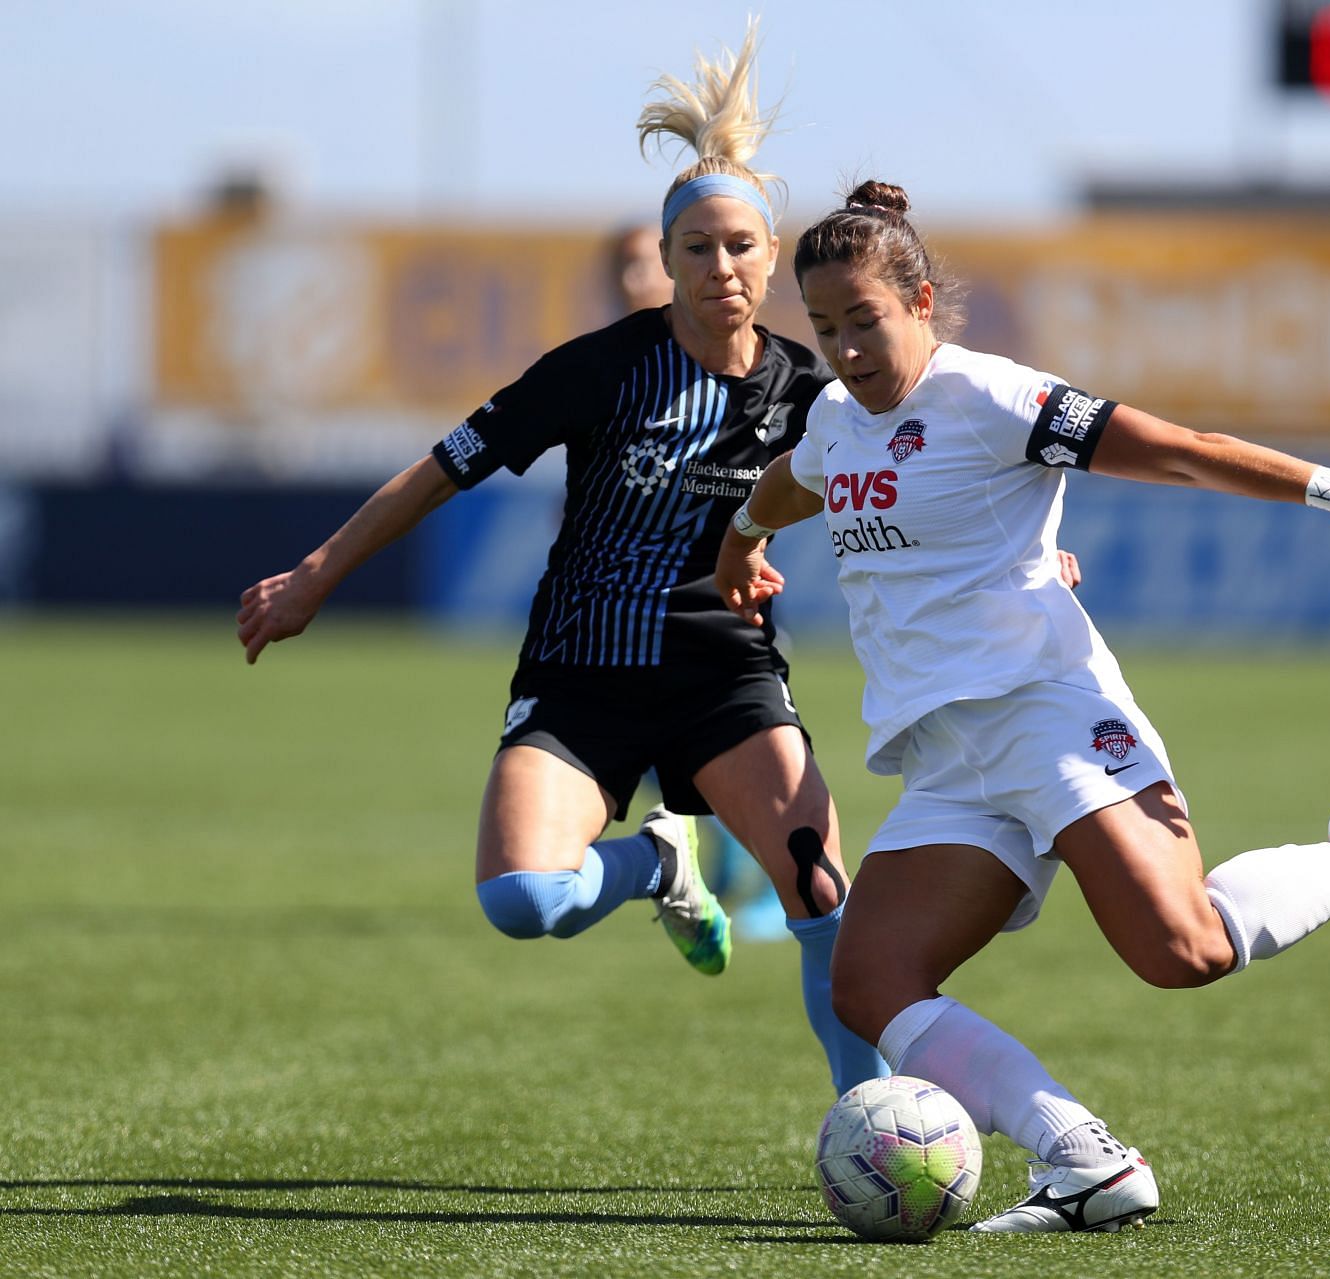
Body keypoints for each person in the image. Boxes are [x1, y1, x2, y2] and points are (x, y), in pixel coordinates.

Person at [715, 181, 1330, 1233]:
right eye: (825, 327)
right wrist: (742, 541)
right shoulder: (832, 420)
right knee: (870, 979)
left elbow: (1172, 445)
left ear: (918, 299)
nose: (848, 349)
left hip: (1049, 713)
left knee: (1184, 952)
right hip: (949, 758)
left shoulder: (994, 398)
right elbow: (787, 481)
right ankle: (1083, 1158)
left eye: (864, 319)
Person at [235, 25, 887, 1095]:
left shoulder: (812, 393)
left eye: (739, 247)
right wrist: (318, 573)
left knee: (827, 901)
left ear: (772, 258)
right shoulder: (598, 370)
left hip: (725, 676)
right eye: (696, 248)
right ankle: (659, 863)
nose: (719, 267)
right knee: (520, 901)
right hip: (581, 676)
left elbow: (918, 476)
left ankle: (871, 1117)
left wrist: (1035, 559)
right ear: (666, 260)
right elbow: (443, 468)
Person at [604, 217, 790, 942]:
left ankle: (771, 886)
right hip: (624, 607)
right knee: (651, 749)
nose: (628, 281)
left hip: (715, 600)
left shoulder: (724, 358)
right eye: (617, 267)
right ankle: (712, 870)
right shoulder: (610, 370)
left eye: (638, 265)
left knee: (736, 748)